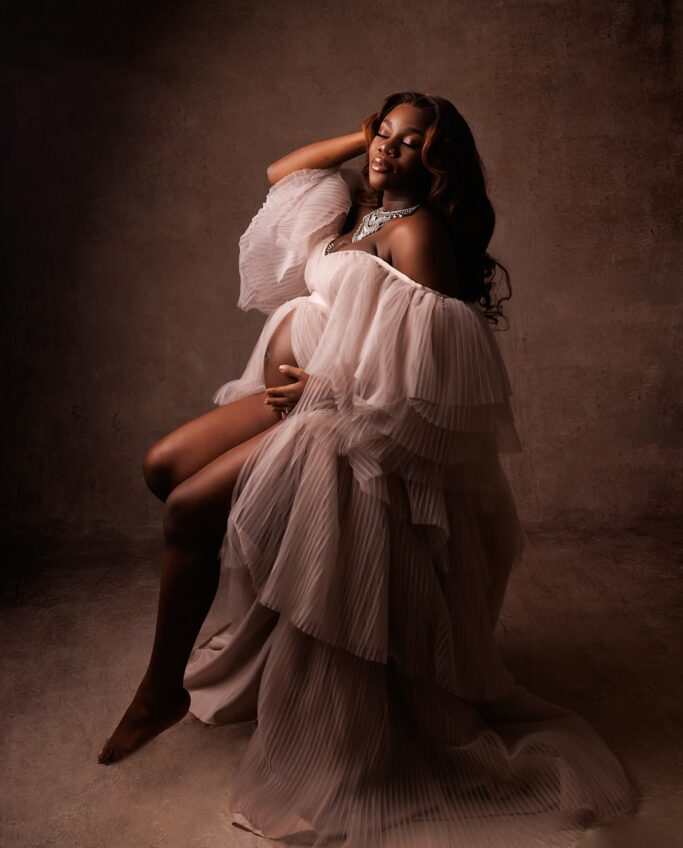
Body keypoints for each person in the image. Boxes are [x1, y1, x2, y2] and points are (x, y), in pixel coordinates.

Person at [98, 92, 638, 847]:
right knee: (163, 468)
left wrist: (323, 388)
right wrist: (360, 144)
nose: (387, 149)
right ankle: (239, 633)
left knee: (187, 510)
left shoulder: (416, 234)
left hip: (342, 418)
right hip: (287, 397)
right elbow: (280, 170)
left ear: (438, 163)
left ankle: (159, 694)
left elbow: (439, 370)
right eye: (383, 132)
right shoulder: (352, 205)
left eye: (410, 143)